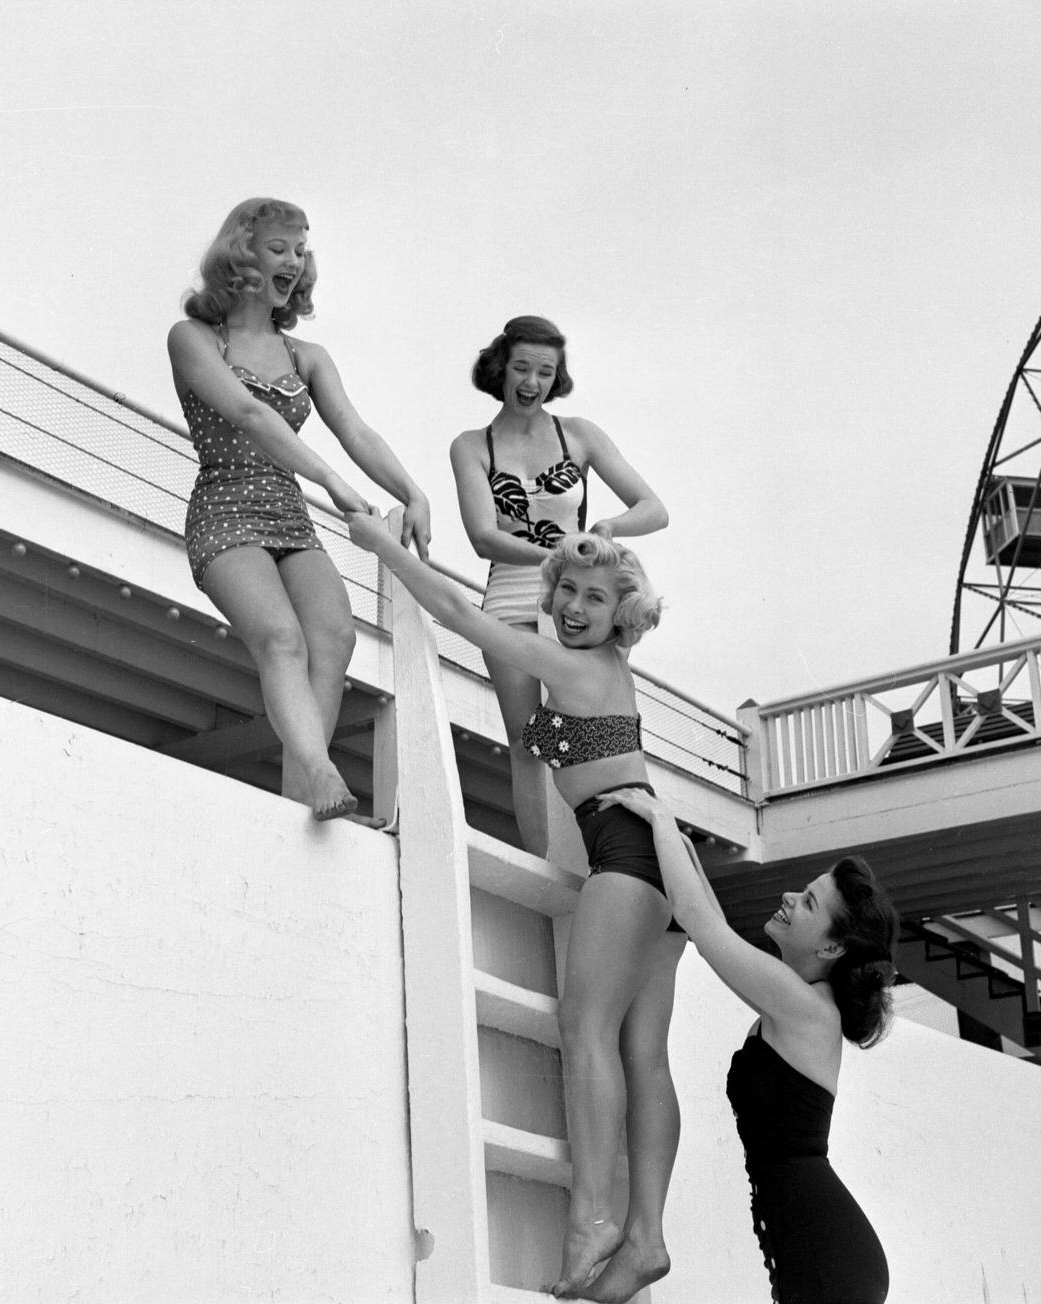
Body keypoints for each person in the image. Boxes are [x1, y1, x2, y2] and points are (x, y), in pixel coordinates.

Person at [344, 517, 684, 1302]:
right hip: (654, 858)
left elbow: (465, 619)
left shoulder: (573, 665)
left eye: (594, 597)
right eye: (564, 587)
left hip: (627, 855)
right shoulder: (604, 666)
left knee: (584, 1028)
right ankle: (646, 1239)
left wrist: (388, 550)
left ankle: (596, 1217)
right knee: (643, 1057)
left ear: (620, 613)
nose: (571, 605)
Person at [168, 197, 431, 821]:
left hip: (286, 510)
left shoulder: (306, 357)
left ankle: (300, 794)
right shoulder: (196, 337)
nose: (294, 261)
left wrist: (412, 492)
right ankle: (318, 771)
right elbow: (249, 415)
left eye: (301, 249)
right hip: (227, 505)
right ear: (242, 252)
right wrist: (334, 484)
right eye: (279, 247)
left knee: (334, 638)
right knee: (280, 638)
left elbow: (357, 431)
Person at [596, 787, 898, 1304]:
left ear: (831, 947)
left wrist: (657, 817)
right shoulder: (793, 1000)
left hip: (828, 1258)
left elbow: (700, 921)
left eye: (807, 903)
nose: (788, 897)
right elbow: (715, 928)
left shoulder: (805, 1010)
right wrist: (679, 842)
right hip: (816, 1249)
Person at [450, 316, 667, 856]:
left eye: (545, 371)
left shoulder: (580, 435)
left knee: (586, 733)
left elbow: (654, 509)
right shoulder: (472, 445)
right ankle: (543, 860)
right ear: (500, 366)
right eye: (522, 366)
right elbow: (483, 537)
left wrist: (608, 529)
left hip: (575, 599)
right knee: (529, 742)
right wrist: (560, 552)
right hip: (509, 598)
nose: (532, 381)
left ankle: (594, 857)